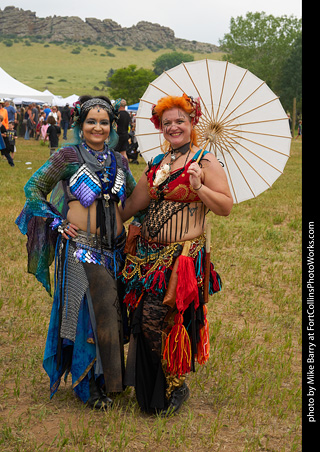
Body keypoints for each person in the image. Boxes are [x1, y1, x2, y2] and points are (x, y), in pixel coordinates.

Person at [15, 95, 136, 409]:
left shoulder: (120, 161)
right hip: (80, 247)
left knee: (109, 315)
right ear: (81, 126)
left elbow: (136, 199)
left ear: (112, 127)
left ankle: (108, 379)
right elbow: (33, 187)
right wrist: (56, 222)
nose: (98, 127)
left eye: (104, 122)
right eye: (91, 121)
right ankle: (89, 386)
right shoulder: (68, 155)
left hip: (114, 250)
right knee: (86, 317)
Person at [120, 94, 233, 415]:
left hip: (180, 259)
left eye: (179, 121)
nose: (173, 127)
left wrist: (199, 186)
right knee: (142, 321)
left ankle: (175, 384)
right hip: (146, 258)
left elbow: (225, 206)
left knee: (160, 319)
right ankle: (151, 389)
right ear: (160, 127)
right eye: (167, 122)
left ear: (192, 123)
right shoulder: (158, 163)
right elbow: (132, 206)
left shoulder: (206, 161)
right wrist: (97, 213)